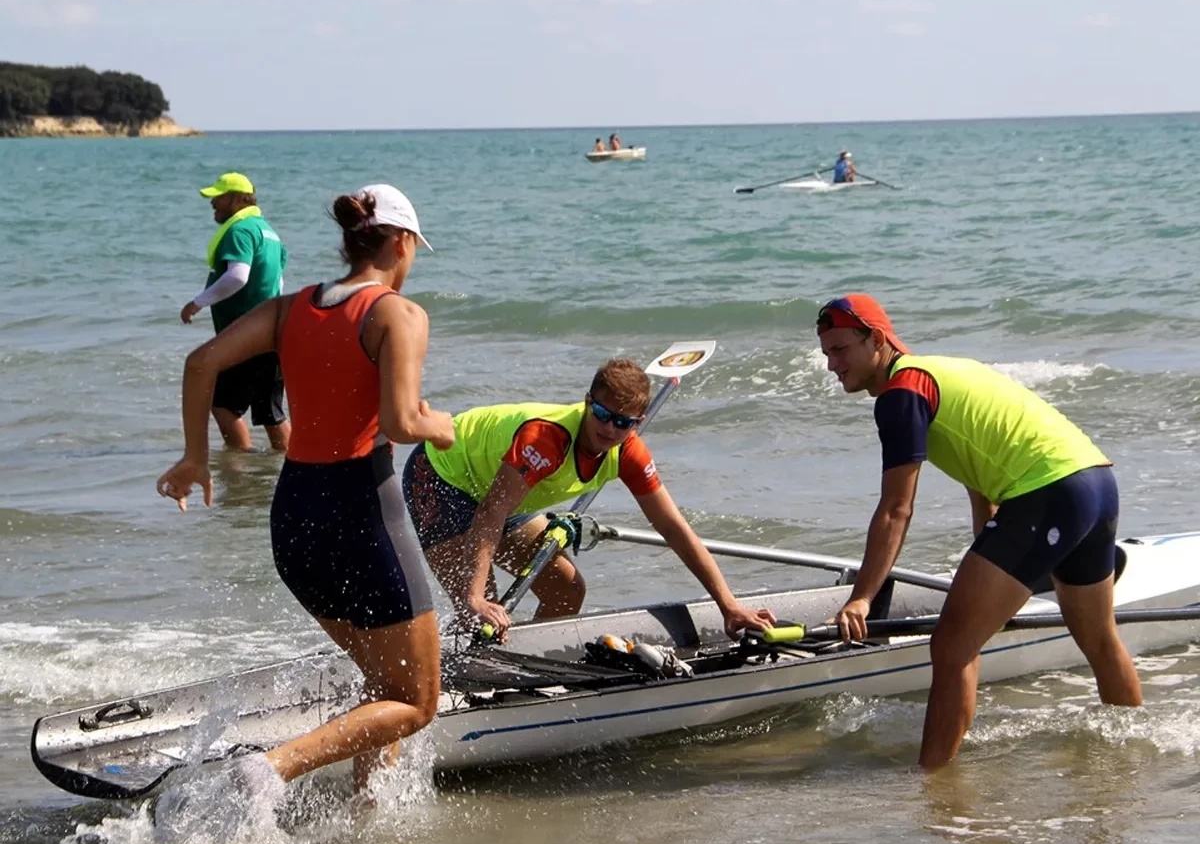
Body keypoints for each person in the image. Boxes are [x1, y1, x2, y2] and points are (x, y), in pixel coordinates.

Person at [157, 183, 455, 796]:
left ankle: (369, 816)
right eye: (414, 247)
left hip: (294, 517)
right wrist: (440, 426)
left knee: (381, 683)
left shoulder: (291, 308)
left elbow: (199, 364)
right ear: (401, 242)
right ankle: (268, 771)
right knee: (417, 700)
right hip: (362, 513)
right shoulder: (399, 314)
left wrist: (194, 458)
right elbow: (402, 423)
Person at [815, 294, 1142, 768]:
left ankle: (933, 786)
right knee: (1098, 639)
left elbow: (895, 510)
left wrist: (862, 597)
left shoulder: (901, 394)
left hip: (1048, 494)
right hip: (1094, 481)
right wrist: (993, 578)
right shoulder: (937, 372)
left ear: (878, 340)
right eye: (827, 353)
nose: (832, 365)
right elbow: (980, 471)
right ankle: (1132, 760)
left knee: (951, 647)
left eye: (841, 349)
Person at [402, 359, 777, 639]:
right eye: (601, 413)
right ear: (586, 403)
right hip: (440, 476)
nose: (610, 429)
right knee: (479, 613)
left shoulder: (628, 453)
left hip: (500, 492)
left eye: (624, 422)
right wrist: (475, 597)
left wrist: (728, 604)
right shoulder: (546, 440)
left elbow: (673, 528)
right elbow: (491, 512)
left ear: (638, 422)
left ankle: (520, 669)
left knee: (566, 590)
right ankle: (449, 682)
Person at [180, 172, 291, 453]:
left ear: (241, 200)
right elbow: (279, 282)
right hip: (272, 334)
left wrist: (198, 302)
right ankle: (291, 465)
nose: (213, 203)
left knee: (223, 407)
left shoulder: (239, 231)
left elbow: (238, 276)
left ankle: (240, 471)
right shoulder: (270, 233)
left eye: (219, 197)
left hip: (244, 335)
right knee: (271, 413)